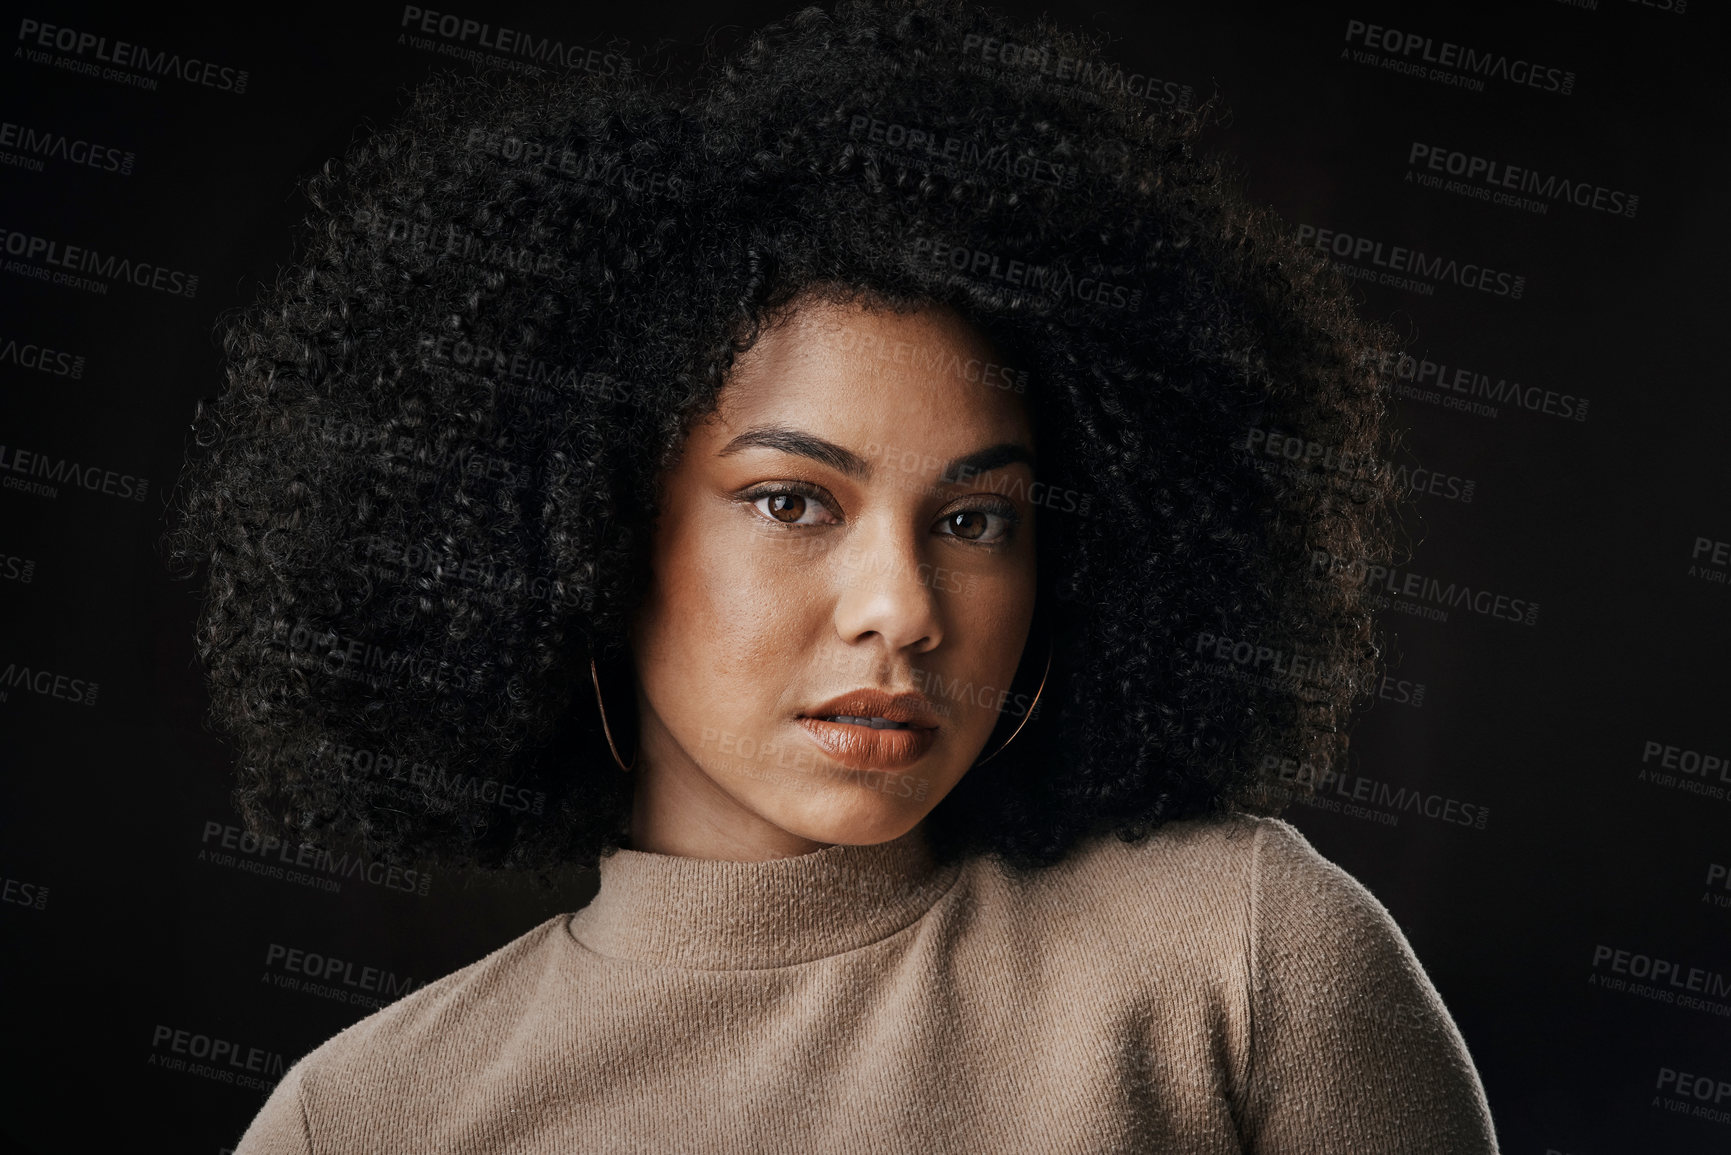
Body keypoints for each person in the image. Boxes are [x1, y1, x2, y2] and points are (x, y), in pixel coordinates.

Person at [166, 0, 1500, 1149]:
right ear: (587, 528)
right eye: (793, 500)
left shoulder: (1246, 963)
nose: (905, 611)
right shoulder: (367, 1122)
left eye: (976, 519)